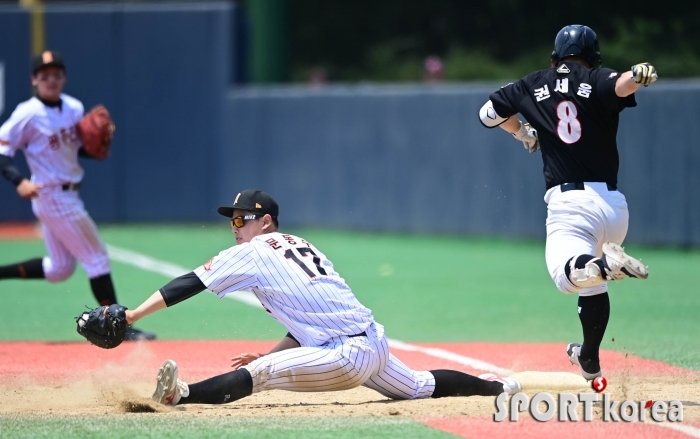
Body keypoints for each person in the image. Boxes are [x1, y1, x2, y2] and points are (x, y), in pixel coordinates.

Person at [124, 189, 521, 406]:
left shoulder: (255, 249)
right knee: (417, 385)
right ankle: (494, 388)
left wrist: (132, 316)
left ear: (266, 222)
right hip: (372, 344)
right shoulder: (302, 244)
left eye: (243, 219)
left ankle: (183, 394)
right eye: (233, 220)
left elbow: (190, 282)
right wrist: (271, 352)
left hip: (346, 355)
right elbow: (311, 323)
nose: (236, 226)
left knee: (262, 376)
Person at [478, 25, 654, 380]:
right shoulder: (596, 78)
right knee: (594, 283)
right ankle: (589, 358)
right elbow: (622, 84)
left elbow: (488, 114)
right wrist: (637, 75)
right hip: (614, 206)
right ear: (593, 56)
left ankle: (606, 265)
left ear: (555, 55)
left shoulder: (532, 83)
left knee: (567, 278)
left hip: (572, 204)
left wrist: (522, 132)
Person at [0, 51, 155, 341]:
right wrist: (18, 180)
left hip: (65, 195)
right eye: (44, 75)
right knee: (96, 258)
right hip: (53, 196)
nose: (51, 80)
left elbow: (72, 150)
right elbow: (3, 150)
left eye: (56, 74)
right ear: (34, 80)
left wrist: (95, 148)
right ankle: (119, 326)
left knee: (60, 269)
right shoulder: (28, 113)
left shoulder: (73, 107)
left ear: (64, 77)